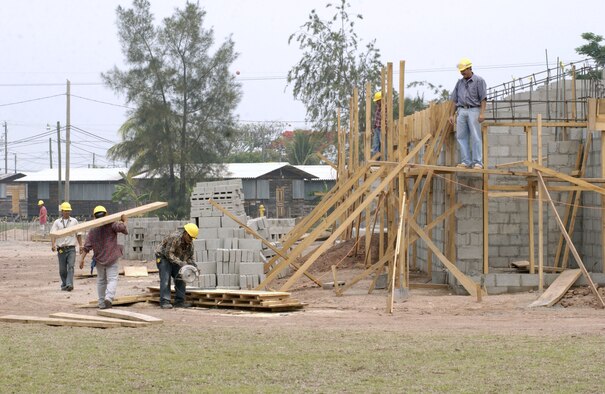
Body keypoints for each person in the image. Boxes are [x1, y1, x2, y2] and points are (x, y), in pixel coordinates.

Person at [79, 206, 128, 309]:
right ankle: (109, 298)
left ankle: (101, 303)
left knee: (101, 280)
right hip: (111, 257)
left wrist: (82, 259)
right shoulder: (112, 224)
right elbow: (123, 229)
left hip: (99, 259)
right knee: (112, 279)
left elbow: (87, 246)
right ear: (106, 214)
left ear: (94, 216)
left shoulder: (93, 230)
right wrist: (125, 220)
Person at [449, 57, 487, 169]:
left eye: (464, 70)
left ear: (470, 68)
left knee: (475, 136)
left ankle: (478, 162)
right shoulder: (459, 83)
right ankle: (466, 161)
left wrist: (482, 113)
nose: (462, 72)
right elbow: (454, 100)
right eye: (461, 71)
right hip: (461, 110)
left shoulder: (479, 81)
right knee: (461, 136)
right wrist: (451, 114)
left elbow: (483, 98)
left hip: (474, 110)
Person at [155, 223, 199, 309]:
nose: (191, 240)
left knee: (182, 277)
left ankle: (179, 301)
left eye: (192, 238)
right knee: (166, 278)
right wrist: (181, 263)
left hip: (176, 259)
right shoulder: (174, 238)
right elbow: (168, 253)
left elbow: (189, 258)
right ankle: (165, 301)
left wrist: (194, 267)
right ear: (185, 233)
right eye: (190, 237)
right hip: (163, 257)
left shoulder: (190, 244)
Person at [50, 202, 82, 291]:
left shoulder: (74, 221)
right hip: (61, 249)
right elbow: (53, 234)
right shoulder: (57, 222)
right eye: (66, 211)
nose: (67, 212)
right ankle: (64, 284)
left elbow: (78, 234)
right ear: (62, 211)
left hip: (71, 248)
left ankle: (69, 284)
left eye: (69, 211)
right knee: (62, 270)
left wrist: (81, 245)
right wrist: (53, 244)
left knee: (71, 266)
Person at [371, 91, 384, 159]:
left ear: (381, 100)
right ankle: (376, 159)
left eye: (377, 101)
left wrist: (384, 127)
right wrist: (374, 126)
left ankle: (382, 160)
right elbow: (377, 118)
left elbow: (386, 119)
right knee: (375, 146)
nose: (376, 102)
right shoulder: (378, 107)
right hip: (377, 128)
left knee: (382, 145)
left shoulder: (385, 108)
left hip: (381, 129)